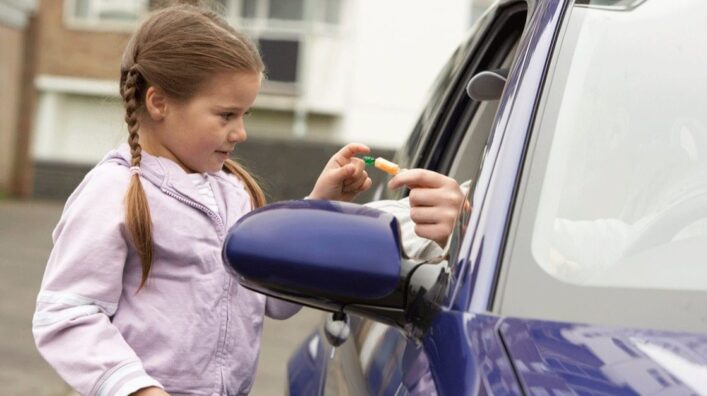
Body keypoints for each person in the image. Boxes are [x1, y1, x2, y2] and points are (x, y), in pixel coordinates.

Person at [31, 4, 464, 396]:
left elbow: (273, 299)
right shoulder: (113, 192)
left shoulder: (233, 191)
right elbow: (67, 314)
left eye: (245, 115)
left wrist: (317, 206)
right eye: (226, 115)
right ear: (159, 102)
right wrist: (136, 388)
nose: (240, 133)